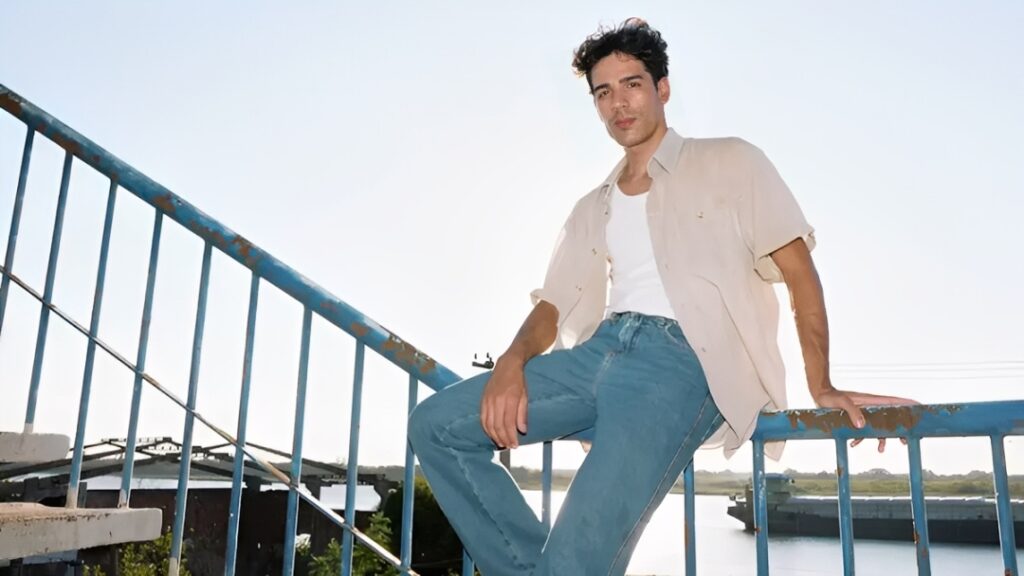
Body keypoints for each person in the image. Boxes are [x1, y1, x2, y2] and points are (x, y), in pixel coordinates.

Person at [408, 18, 913, 576]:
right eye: (604, 92)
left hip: (680, 367)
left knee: (576, 560)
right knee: (436, 426)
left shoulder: (731, 162)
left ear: (662, 88)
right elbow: (552, 305)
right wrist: (511, 360)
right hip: (598, 352)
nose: (618, 103)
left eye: (632, 84)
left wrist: (822, 383)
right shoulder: (591, 206)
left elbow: (800, 274)